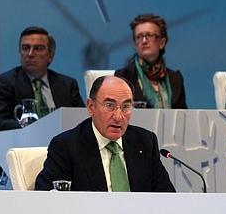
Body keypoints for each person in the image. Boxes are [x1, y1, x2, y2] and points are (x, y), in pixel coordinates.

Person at [35, 76, 175, 192]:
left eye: (126, 106)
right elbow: (46, 197)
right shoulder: (66, 146)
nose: (118, 116)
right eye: (109, 105)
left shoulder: (145, 142)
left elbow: (168, 198)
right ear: (91, 107)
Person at [0, 26, 85, 132]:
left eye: (38, 48)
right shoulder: (6, 82)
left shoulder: (67, 85)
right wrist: (30, 126)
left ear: (50, 56)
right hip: (24, 145)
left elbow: (83, 120)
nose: (30, 54)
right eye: (25, 48)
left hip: (62, 144)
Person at [115, 13, 187, 109]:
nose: (144, 41)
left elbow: (184, 117)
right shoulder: (123, 77)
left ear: (162, 43)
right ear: (135, 44)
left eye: (149, 35)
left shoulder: (175, 79)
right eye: (139, 37)